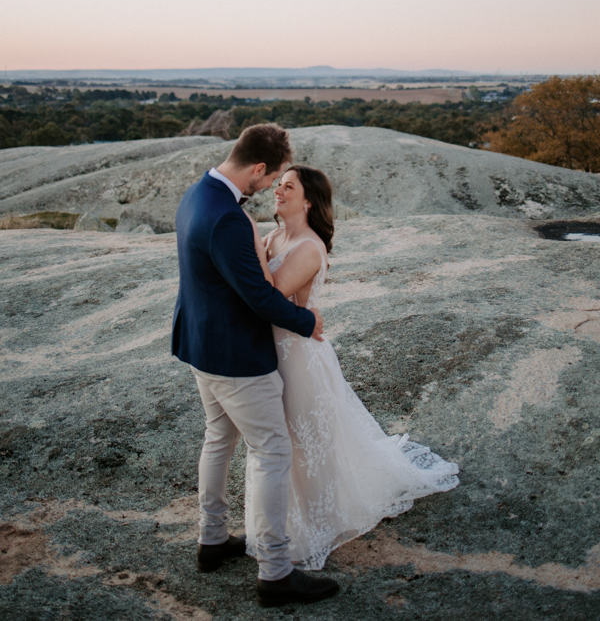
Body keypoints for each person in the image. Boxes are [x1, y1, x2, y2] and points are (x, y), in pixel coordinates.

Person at [244, 164, 460, 570]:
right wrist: (259, 241)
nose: (279, 190)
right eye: (279, 184)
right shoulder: (273, 237)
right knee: (279, 445)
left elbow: (269, 295)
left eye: (288, 186)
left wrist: (250, 243)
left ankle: (318, 527)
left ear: (308, 201)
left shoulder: (308, 247)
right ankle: (281, 524)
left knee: (307, 447)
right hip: (271, 354)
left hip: (299, 359)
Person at [171, 125, 340, 608]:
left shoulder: (197, 194)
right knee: (271, 452)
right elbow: (260, 298)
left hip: (201, 346)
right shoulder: (227, 217)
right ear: (259, 169)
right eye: (271, 182)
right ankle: (275, 571)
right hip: (236, 356)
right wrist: (306, 320)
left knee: (218, 438)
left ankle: (213, 539)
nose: (270, 190)